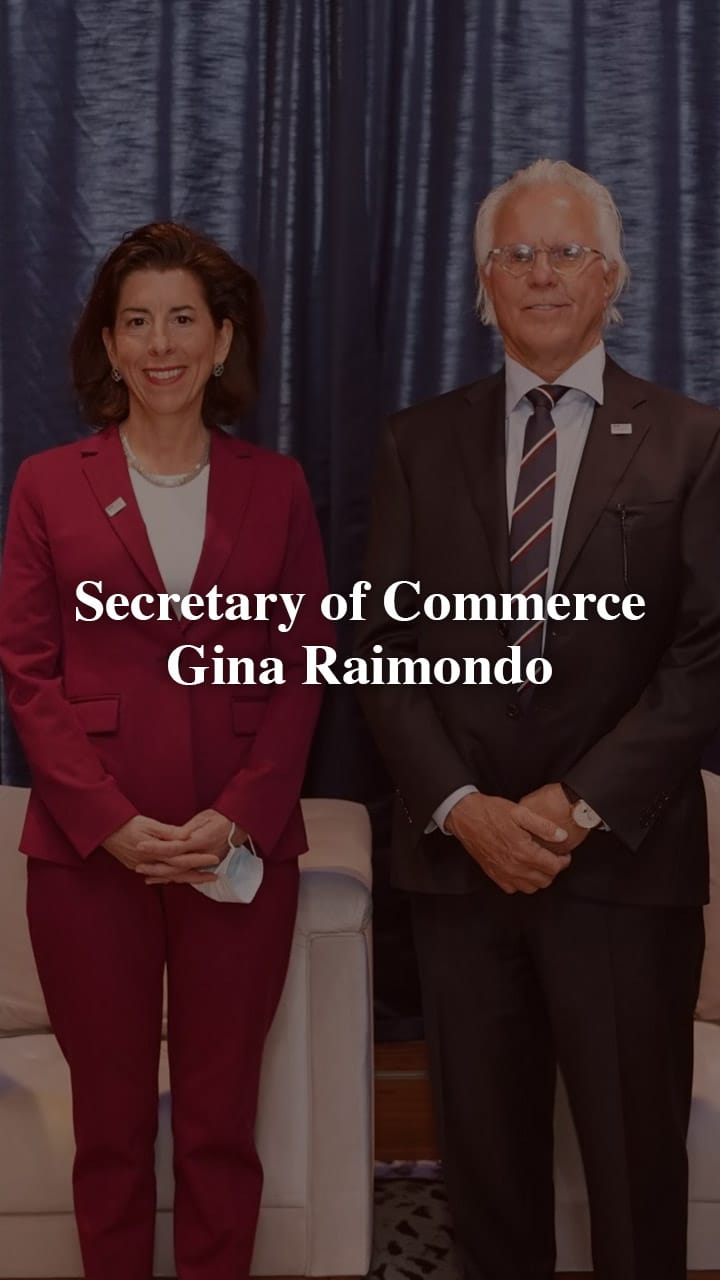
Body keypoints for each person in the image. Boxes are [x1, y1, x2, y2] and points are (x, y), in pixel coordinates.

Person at [355, 159, 720, 1280]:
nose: (542, 274)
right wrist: (464, 807)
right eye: (516, 254)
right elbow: (379, 650)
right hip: (464, 871)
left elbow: (704, 652)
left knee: (635, 1179)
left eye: (567, 252)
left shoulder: (692, 439)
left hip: (623, 867)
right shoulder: (416, 442)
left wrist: (576, 803)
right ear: (485, 283)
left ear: (612, 275)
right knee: (489, 1183)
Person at [0, 221, 333, 1280]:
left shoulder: (277, 486)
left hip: (235, 846)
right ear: (108, 344)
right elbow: (27, 668)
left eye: (182, 319)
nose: (160, 343)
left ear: (222, 340)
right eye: (136, 321)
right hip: (89, 853)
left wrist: (239, 814)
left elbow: (304, 662)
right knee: (107, 1129)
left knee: (220, 1127)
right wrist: (108, 821)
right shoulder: (47, 482)